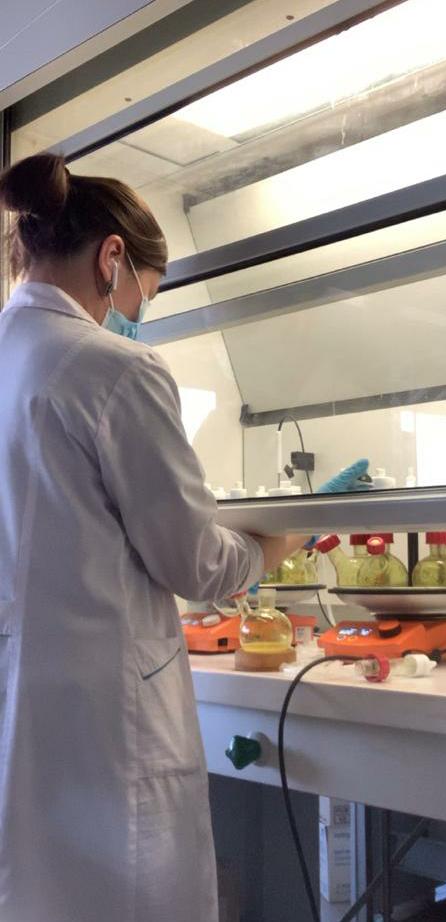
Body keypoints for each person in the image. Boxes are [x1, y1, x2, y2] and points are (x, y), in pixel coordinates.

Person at [0, 153, 309, 922]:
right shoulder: (115, 368)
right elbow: (196, 563)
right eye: (146, 292)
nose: (137, 313)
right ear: (112, 259)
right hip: (102, 725)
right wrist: (280, 541)